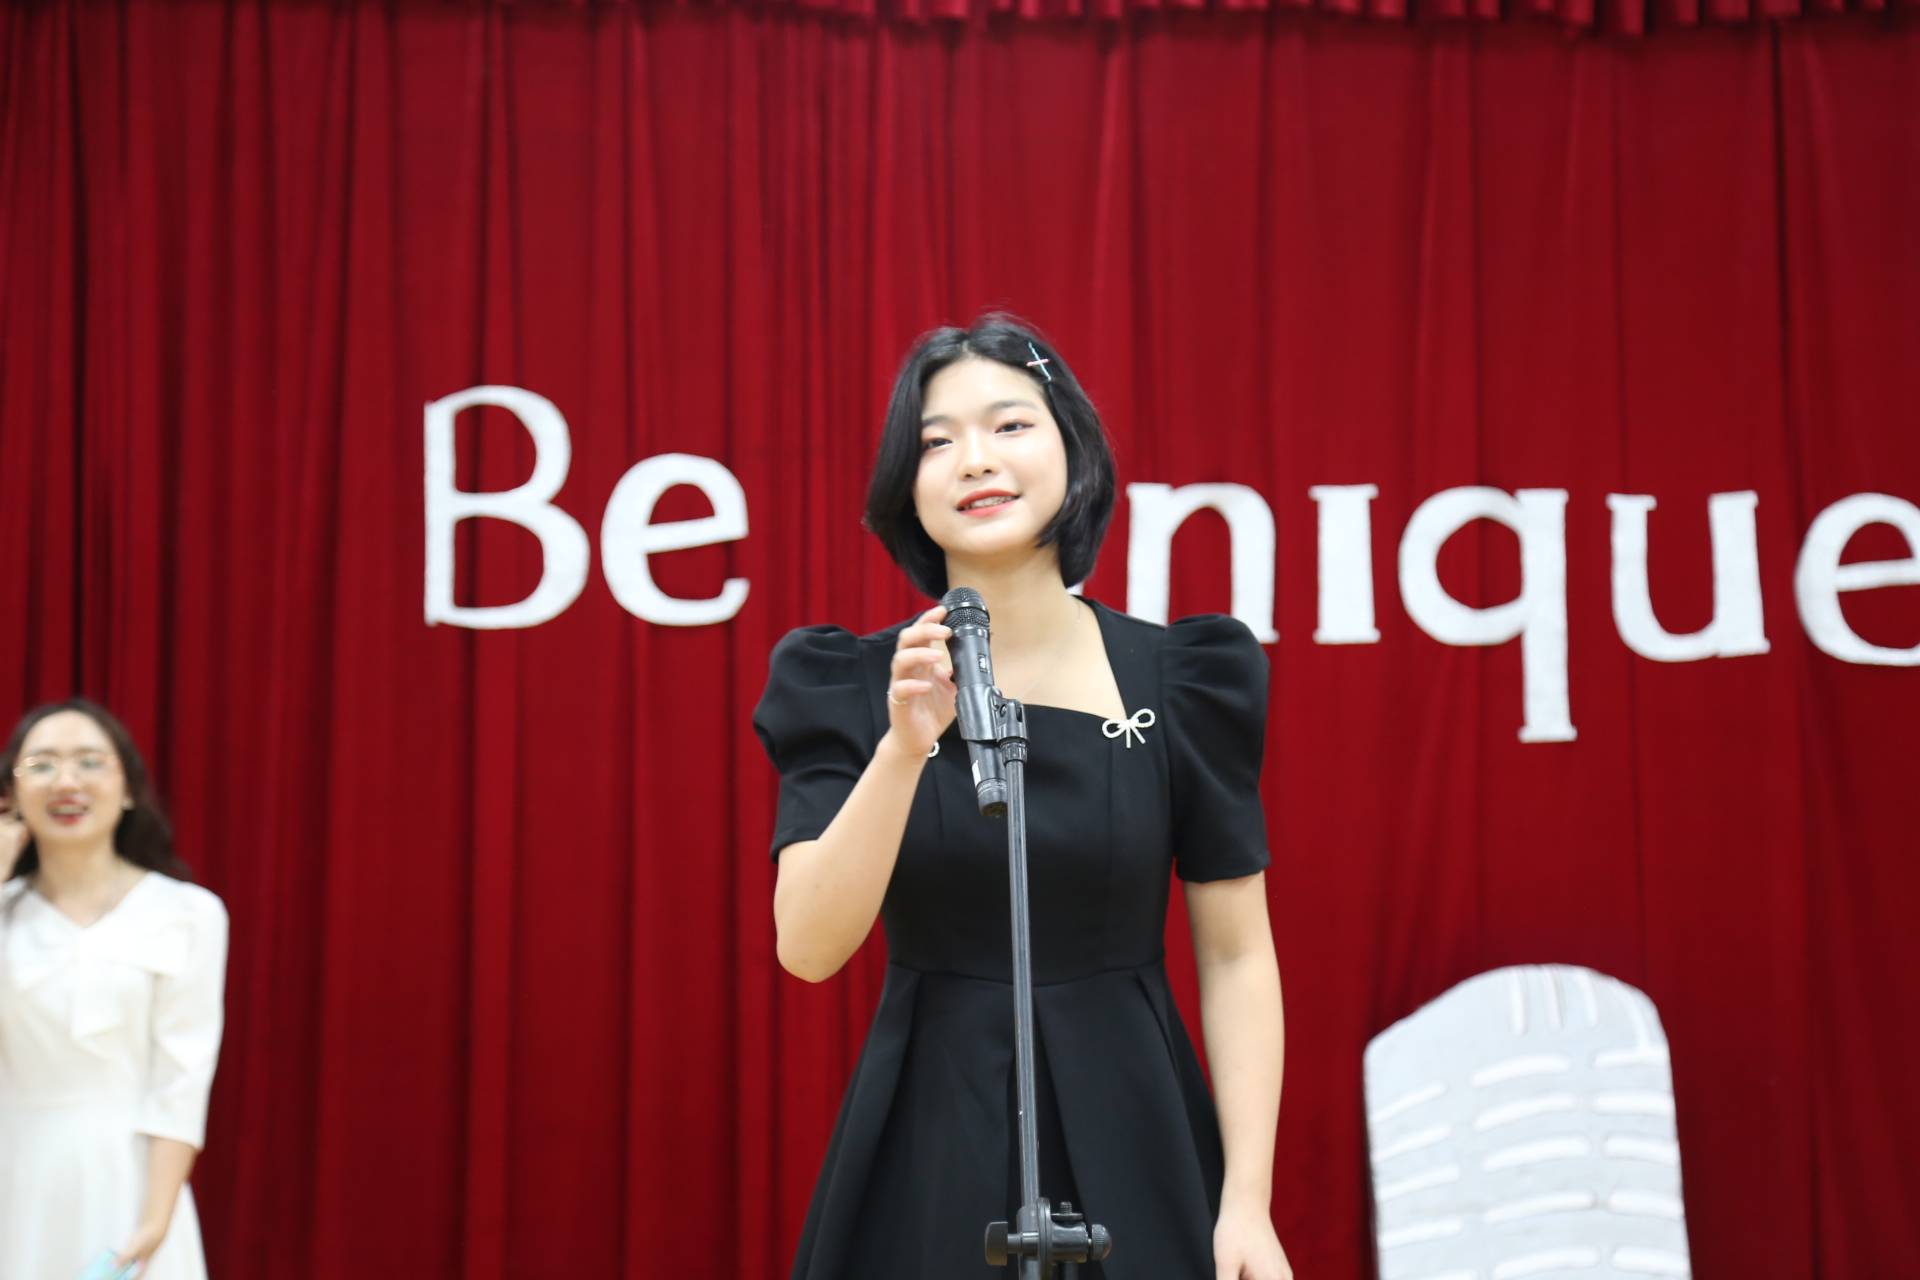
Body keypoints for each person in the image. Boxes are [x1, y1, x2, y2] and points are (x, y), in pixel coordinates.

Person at [753, 317, 1292, 1280]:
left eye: (1009, 425)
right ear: (907, 487)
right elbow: (808, 945)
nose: (974, 460)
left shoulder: (1183, 677)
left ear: (1072, 450)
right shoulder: (848, 684)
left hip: (1139, 1124)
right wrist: (904, 748)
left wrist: (1246, 1202)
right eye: (936, 441)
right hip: (931, 1130)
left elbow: (1236, 951)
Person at [0, 699, 228, 1280]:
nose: (66, 781)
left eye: (90, 762)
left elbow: (182, 1080)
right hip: (14, 1177)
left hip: (134, 1184)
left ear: (127, 789)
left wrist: (155, 1223)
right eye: (41, 765)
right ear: (11, 794)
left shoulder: (188, 914)